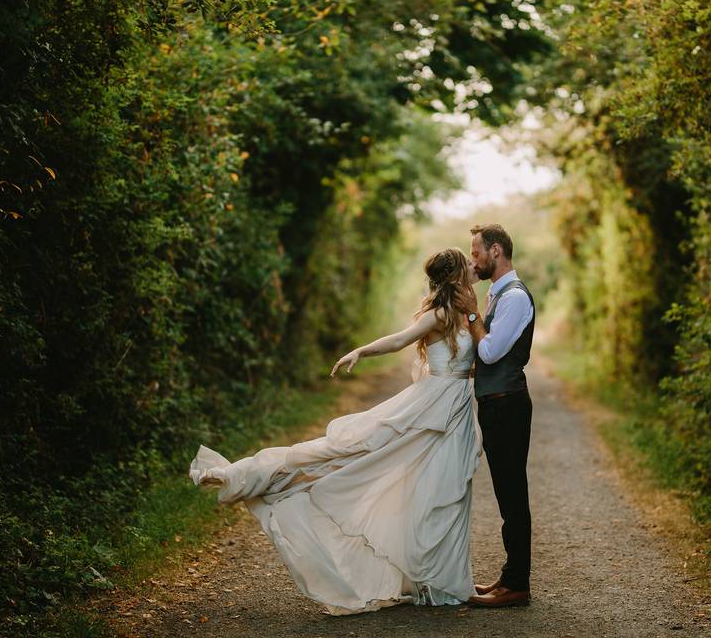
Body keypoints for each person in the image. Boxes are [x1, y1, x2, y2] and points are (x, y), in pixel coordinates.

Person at [189, 248, 484, 616]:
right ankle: (248, 474)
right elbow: (398, 339)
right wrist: (361, 350)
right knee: (355, 455)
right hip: (432, 406)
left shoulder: (467, 312)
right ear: (456, 274)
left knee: (444, 490)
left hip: (454, 408)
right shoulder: (439, 314)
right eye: (468, 262)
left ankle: (442, 580)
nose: (475, 265)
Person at [460, 223, 535, 608]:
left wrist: (472, 314)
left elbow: (489, 352)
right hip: (496, 402)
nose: (472, 260)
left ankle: (517, 584)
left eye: (475, 252)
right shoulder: (499, 293)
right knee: (507, 493)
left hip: (507, 405)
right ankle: (509, 577)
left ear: (495, 251)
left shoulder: (515, 298)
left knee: (512, 494)